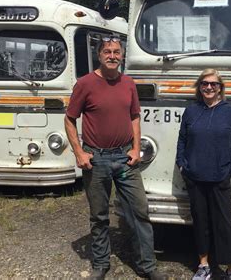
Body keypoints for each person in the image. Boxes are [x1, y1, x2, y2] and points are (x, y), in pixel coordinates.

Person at [64, 35, 167, 280]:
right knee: (99, 215)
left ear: (122, 56)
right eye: (107, 51)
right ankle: (100, 264)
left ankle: (147, 265)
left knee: (139, 211)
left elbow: (134, 117)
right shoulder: (85, 84)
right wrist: (79, 152)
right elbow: (69, 119)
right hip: (96, 159)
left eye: (116, 52)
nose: (112, 56)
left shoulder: (128, 83)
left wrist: (135, 149)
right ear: (99, 55)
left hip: (124, 158)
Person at [175, 68, 231, 280]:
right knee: (201, 223)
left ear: (220, 88)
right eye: (205, 83)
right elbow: (182, 140)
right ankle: (203, 265)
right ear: (199, 86)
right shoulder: (191, 111)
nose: (209, 87)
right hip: (195, 178)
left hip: (219, 178)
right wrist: (182, 165)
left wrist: (230, 170)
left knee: (224, 224)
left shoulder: (230, 112)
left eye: (214, 84)